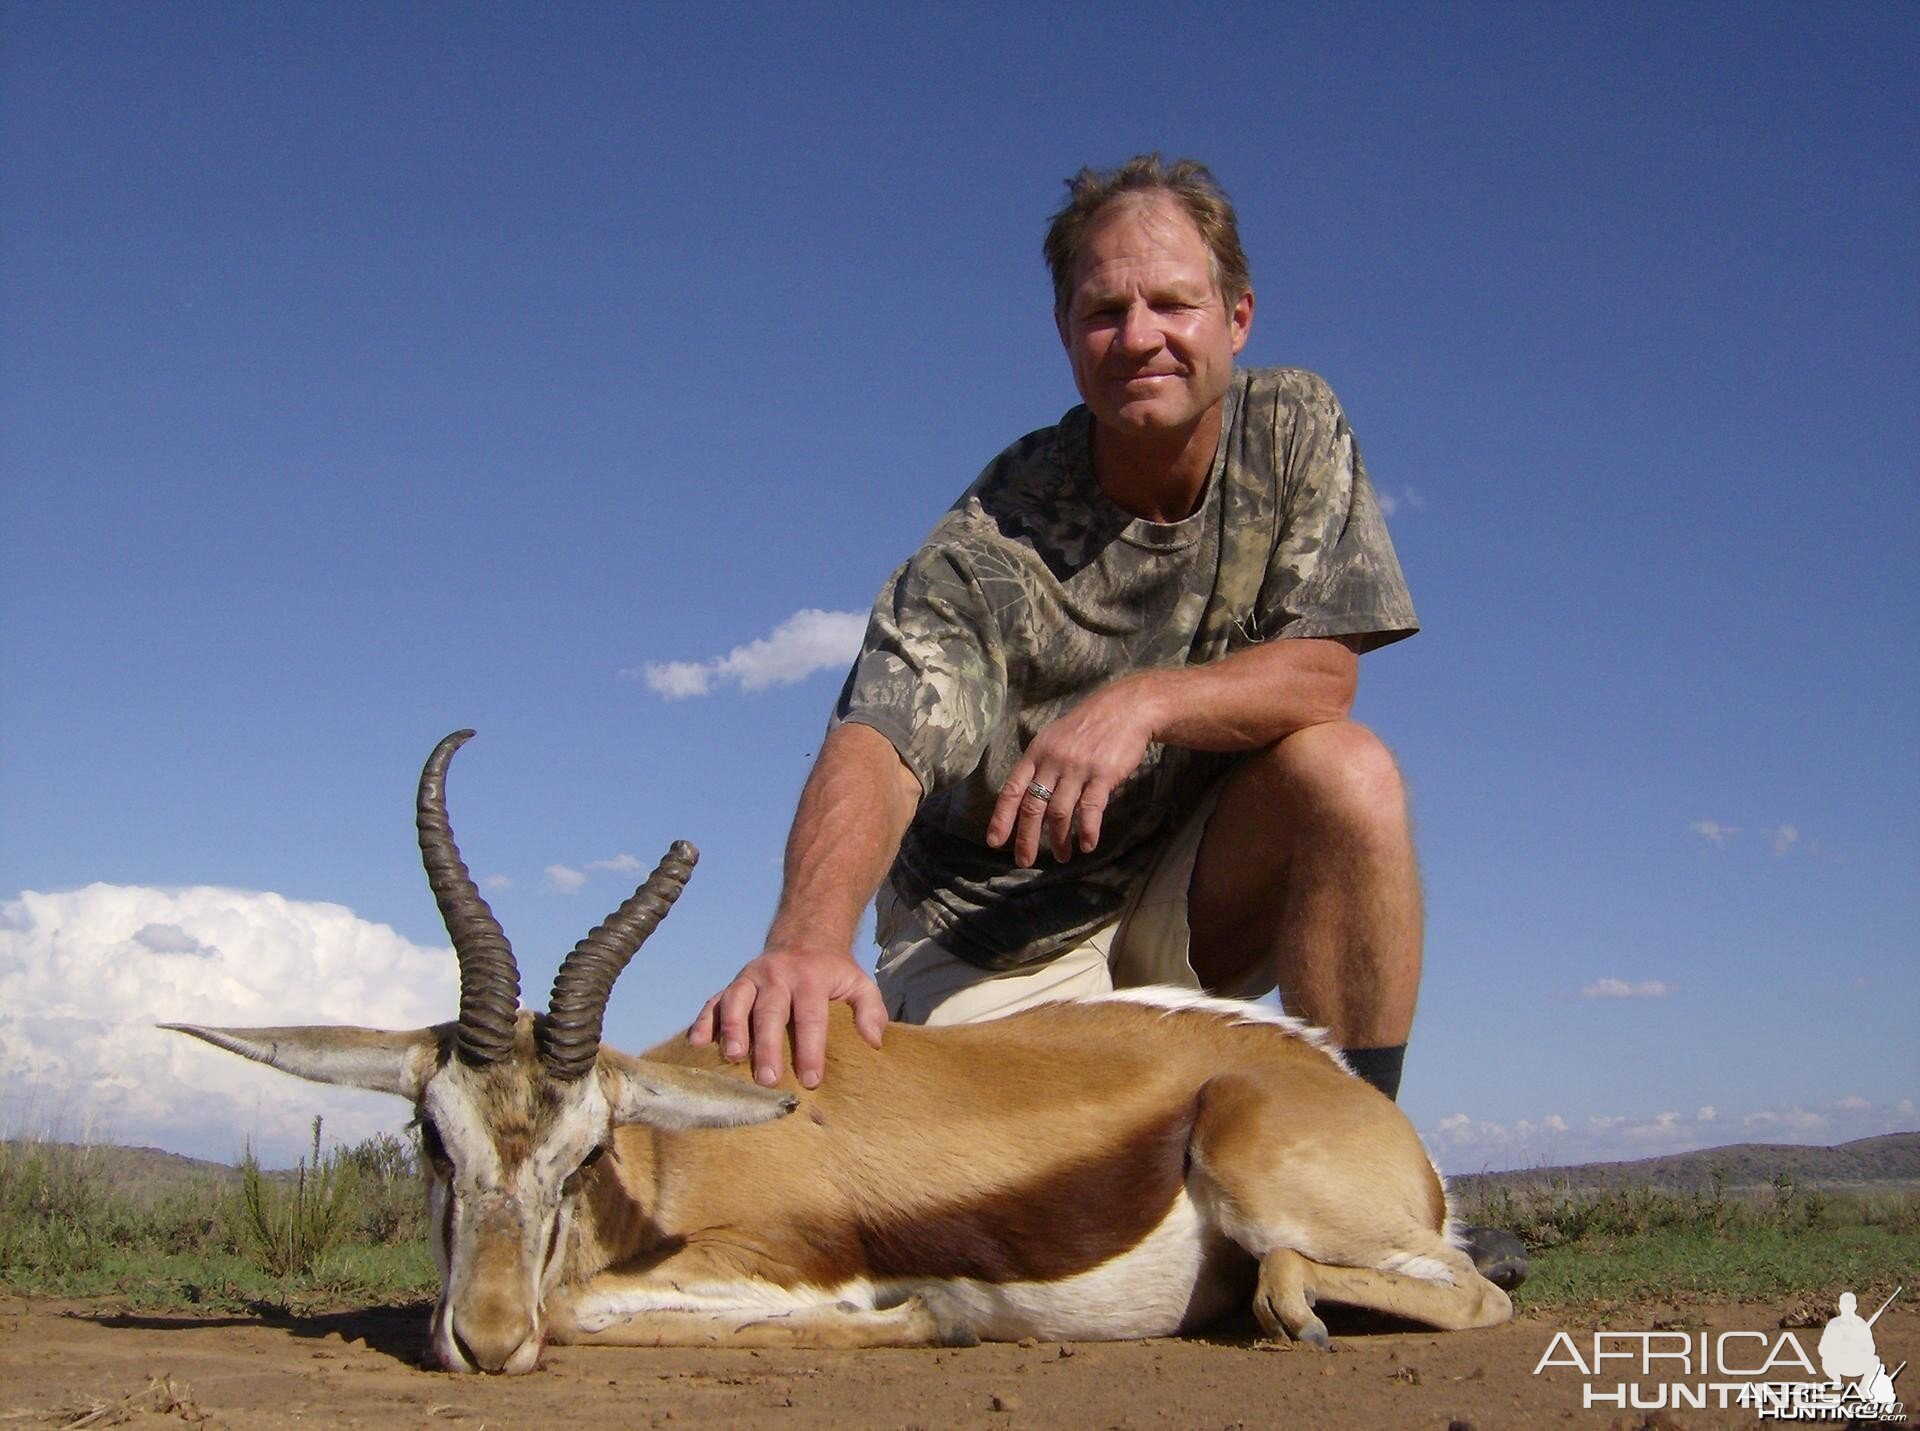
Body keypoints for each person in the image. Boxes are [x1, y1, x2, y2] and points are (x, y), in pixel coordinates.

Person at [689, 154, 1525, 1287]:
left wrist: (1143, 702)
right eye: (1104, 311)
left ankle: (1378, 1203)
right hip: (995, 939)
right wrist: (804, 937)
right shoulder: (989, 541)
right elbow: (878, 734)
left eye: (1173, 303)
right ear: (1065, 333)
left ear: (1236, 315)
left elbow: (1324, 675)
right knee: (1011, 1246)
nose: (1140, 336)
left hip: (1170, 899)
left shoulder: (1294, 429)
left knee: (1348, 772)